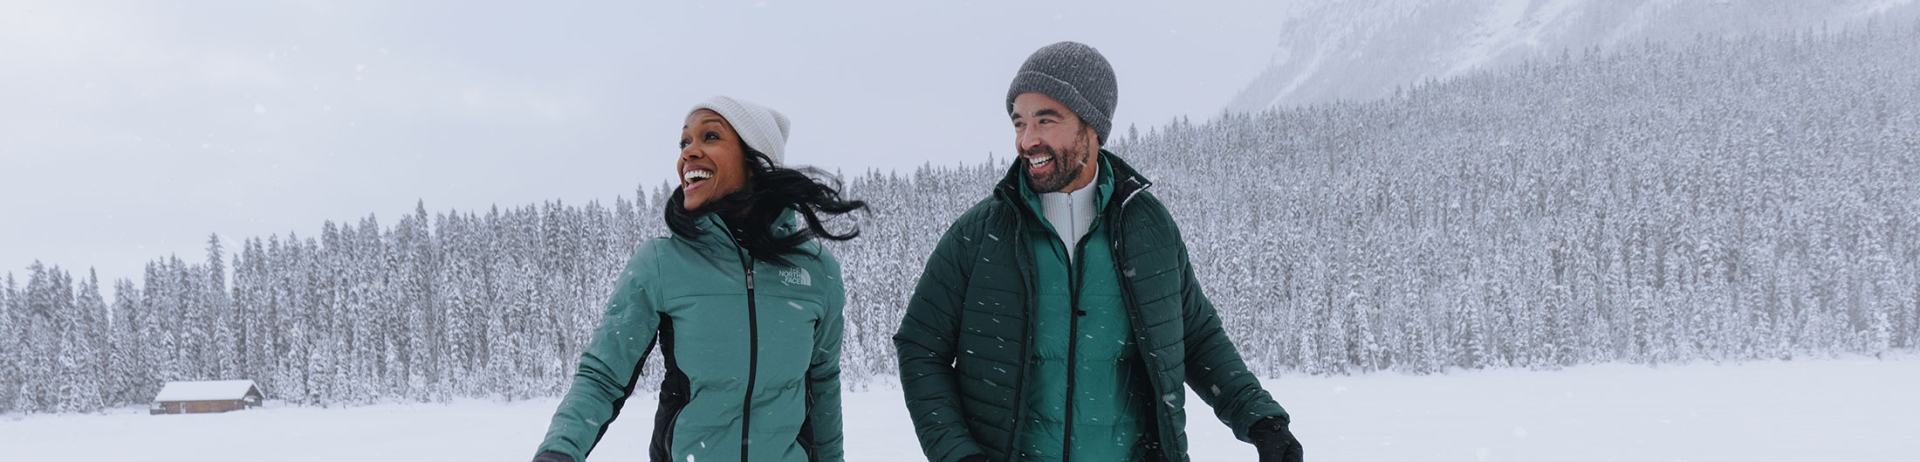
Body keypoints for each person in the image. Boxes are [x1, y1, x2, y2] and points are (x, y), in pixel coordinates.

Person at [893, 42, 1305, 462]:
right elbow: (920, 346)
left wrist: (1261, 419)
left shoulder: (1148, 228)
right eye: (1019, 123)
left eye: (1045, 120)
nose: (1027, 140)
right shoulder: (980, 234)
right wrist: (958, 453)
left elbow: (1196, 336)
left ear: (1091, 126)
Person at [533, 96, 863, 462]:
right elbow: (603, 375)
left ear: (755, 162)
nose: (688, 152)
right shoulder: (661, 263)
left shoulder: (816, 271)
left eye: (710, 136)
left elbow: (823, 385)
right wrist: (559, 451)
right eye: (684, 142)